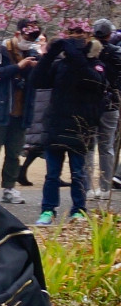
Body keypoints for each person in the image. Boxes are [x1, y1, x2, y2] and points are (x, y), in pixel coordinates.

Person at [29, 24, 104, 224]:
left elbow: (94, 80)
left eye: (79, 33)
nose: (74, 37)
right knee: (52, 175)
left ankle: (79, 209)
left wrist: (70, 51)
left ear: (89, 36)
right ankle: (48, 210)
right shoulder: (60, 65)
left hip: (80, 126)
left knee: (78, 174)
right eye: (71, 34)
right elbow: (37, 81)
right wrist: (50, 54)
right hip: (56, 124)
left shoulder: (95, 63)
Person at [0, 19, 41, 201]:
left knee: (14, 154)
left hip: (21, 112)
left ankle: (9, 188)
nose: (28, 42)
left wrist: (35, 69)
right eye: (26, 37)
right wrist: (18, 67)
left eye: (32, 39)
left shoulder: (32, 54)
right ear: (16, 34)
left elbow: (38, 81)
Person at [94, 19, 119, 199]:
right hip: (111, 104)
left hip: (91, 102)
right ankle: (105, 187)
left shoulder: (88, 52)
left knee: (88, 146)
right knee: (107, 146)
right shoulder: (116, 54)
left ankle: (87, 186)